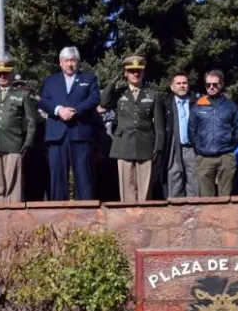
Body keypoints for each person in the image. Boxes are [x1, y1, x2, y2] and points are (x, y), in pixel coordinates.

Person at [100, 55, 165, 202]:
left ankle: (144, 220)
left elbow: (159, 125)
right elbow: (104, 102)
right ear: (126, 73)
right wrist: (112, 82)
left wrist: (158, 146)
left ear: (143, 73)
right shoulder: (119, 93)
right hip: (124, 145)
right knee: (126, 186)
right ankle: (127, 220)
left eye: (139, 71)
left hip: (146, 144)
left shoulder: (152, 94)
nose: (135, 74)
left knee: (145, 189)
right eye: (131, 71)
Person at [38, 46, 100, 201]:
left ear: (78, 62)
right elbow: (44, 101)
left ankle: (86, 213)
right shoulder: (51, 80)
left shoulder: (88, 79)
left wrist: (75, 111)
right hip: (57, 134)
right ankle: (57, 213)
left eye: (73, 60)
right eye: (66, 61)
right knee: (57, 176)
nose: (70, 64)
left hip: (80, 132)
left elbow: (94, 98)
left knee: (83, 174)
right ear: (60, 63)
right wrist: (58, 110)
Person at [0, 58, 38, 203]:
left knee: (13, 184)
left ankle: (14, 217)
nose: (2, 77)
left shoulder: (22, 94)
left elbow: (31, 120)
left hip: (13, 142)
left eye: (5, 73)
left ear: (11, 74)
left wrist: (28, 142)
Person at [188, 69, 238, 197]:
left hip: (226, 156)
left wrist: (230, 146)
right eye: (208, 85)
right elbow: (192, 131)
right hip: (204, 157)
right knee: (206, 199)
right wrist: (199, 148)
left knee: (226, 197)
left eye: (215, 84)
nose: (211, 87)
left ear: (222, 84)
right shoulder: (197, 106)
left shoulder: (231, 106)